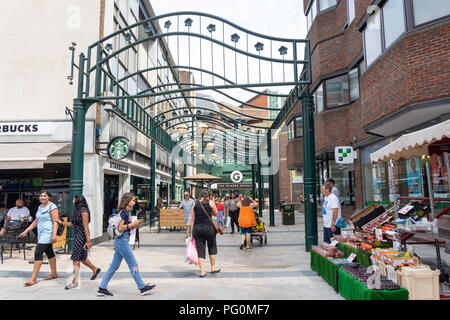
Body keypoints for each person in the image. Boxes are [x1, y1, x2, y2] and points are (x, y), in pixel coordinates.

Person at [97, 193, 155, 296]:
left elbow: (125, 228)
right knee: (133, 264)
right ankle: (142, 287)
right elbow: (120, 228)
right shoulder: (123, 213)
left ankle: (102, 287)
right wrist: (133, 224)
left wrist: (135, 225)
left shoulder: (127, 212)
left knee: (114, 266)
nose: (134, 202)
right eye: (133, 200)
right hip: (122, 242)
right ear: (127, 201)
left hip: (121, 241)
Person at [58, 195, 101, 290]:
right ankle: (95, 269)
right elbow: (73, 224)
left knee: (76, 258)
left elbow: (85, 227)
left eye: (73, 199)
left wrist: (88, 241)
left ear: (78, 200)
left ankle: (74, 282)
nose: (72, 200)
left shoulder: (84, 211)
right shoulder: (76, 211)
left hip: (81, 238)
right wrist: (62, 223)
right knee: (81, 257)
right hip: (77, 236)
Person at [18, 191, 59, 286]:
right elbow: (36, 221)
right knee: (49, 252)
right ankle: (54, 273)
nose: (42, 197)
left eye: (45, 196)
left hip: (48, 233)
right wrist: (25, 231)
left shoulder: (52, 207)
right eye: (41, 196)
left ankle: (33, 278)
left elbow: (55, 222)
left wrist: (54, 235)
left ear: (49, 197)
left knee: (38, 252)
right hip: (41, 233)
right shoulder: (40, 207)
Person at [190, 189, 220, 277]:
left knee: (200, 249)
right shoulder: (211, 203)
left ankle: (202, 271)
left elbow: (192, 219)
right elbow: (216, 214)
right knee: (212, 246)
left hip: (198, 229)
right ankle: (213, 268)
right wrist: (213, 203)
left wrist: (191, 232)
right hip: (209, 228)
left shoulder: (195, 203)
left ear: (201, 195)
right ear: (208, 196)